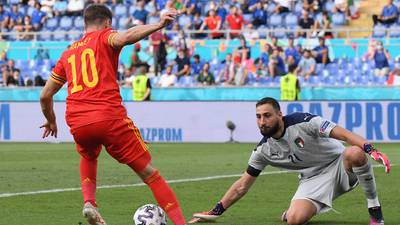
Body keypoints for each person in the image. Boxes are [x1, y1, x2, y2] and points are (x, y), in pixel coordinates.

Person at [39, 4, 186, 225]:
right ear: (107, 23)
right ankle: (181, 223)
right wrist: (158, 24)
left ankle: (89, 202)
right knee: (150, 175)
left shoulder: (68, 52)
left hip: (78, 121)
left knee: (88, 155)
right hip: (108, 116)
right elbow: (127, 37)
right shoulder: (105, 37)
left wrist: (51, 121)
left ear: (85, 23)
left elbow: (44, 95)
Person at [189, 97, 390, 225]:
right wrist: (216, 211)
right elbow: (242, 185)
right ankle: (293, 211)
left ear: (279, 115)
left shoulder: (305, 122)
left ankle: (374, 209)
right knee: (294, 220)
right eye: (258, 117)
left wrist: (371, 149)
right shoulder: (262, 150)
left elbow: (344, 135)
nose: (262, 121)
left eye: (267, 115)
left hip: (340, 164)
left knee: (355, 153)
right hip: (312, 179)